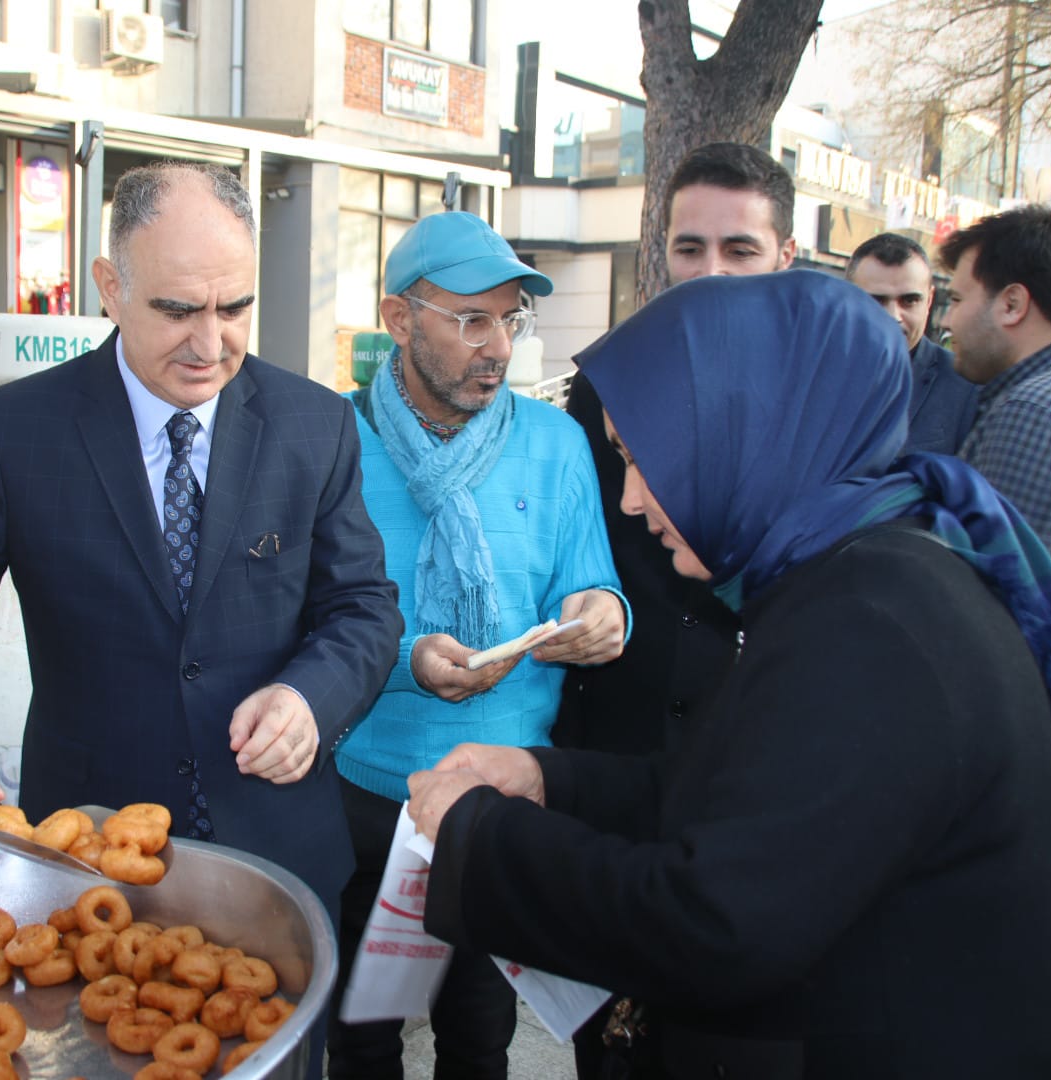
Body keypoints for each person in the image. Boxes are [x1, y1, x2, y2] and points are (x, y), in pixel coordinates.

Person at [407, 269, 1051, 1078]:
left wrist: (482, 838)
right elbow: (740, 793)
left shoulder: (873, 625)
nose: (628, 499)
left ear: (740, 436)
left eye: (641, 459)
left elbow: (714, 924)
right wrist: (547, 781)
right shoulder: (847, 574)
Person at [0, 163, 404, 1073]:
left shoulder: (314, 425)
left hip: (280, 866)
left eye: (235, 308)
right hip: (86, 880)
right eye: (178, 309)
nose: (211, 342)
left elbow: (363, 607)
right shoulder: (20, 432)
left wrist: (311, 698)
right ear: (110, 288)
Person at [325, 211, 630, 1080]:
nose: (496, 345)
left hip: (504, 797)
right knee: (363, 1037)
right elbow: (306, 618)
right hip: (369, 793)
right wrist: (403, 659)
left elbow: (594, 578)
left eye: (509, 319)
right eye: (470, 319)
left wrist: (603, 614)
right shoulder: (334, 444)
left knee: (478, 1036)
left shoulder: (555, 442)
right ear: (398, 319)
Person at [555, 140, 797, 1077]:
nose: (710, 272)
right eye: (689, 247)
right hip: (618, 751)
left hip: (756, 766)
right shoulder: (601, 386)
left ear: (783, 256)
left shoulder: (820, 396)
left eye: (738, 250)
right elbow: (578, 543)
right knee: (604, 1038)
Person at [938, 204, 1051, 931]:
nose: (947, 322)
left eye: (957, 298)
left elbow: (986, 608)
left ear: (1014, 301)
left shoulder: (1037, 412)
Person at [845, 232, 977, 454]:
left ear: (929, 301)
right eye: (876, 300)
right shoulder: (812, 375)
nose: (893, 315)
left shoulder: (965, 388)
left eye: (909, 301)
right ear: (847, 299)